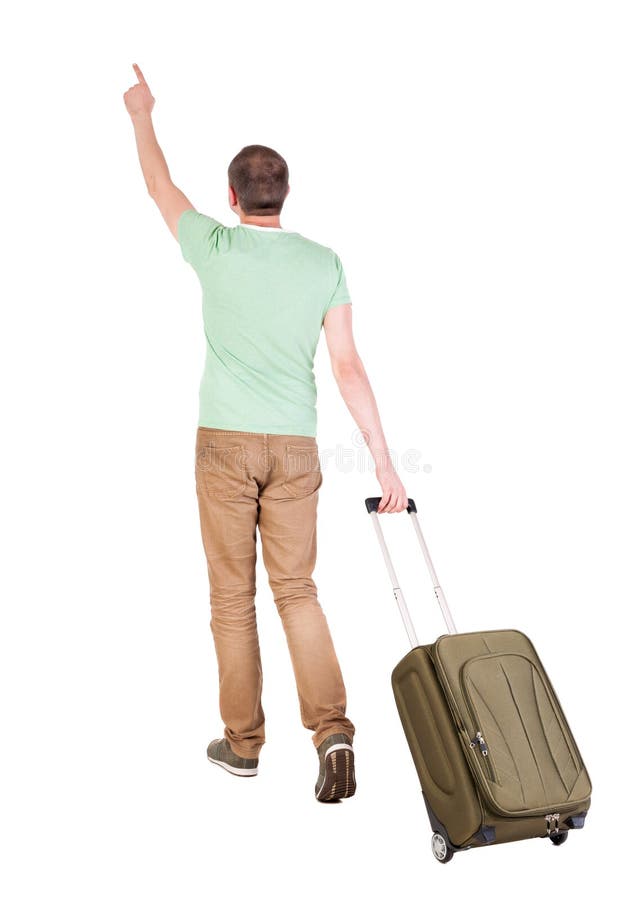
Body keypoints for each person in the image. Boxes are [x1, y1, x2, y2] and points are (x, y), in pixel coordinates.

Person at [124, 63, 408, 802]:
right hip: (295, 448)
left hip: (222, 444)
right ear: (283, 195)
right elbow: (347, 367)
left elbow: (159, 187)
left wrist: (141, 113)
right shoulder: (324, 263)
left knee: (231, 598)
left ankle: (243, 745)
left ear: (231, 198)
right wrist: (385, 465)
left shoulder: (213, 247)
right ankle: (333, 731)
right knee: (297, 591)